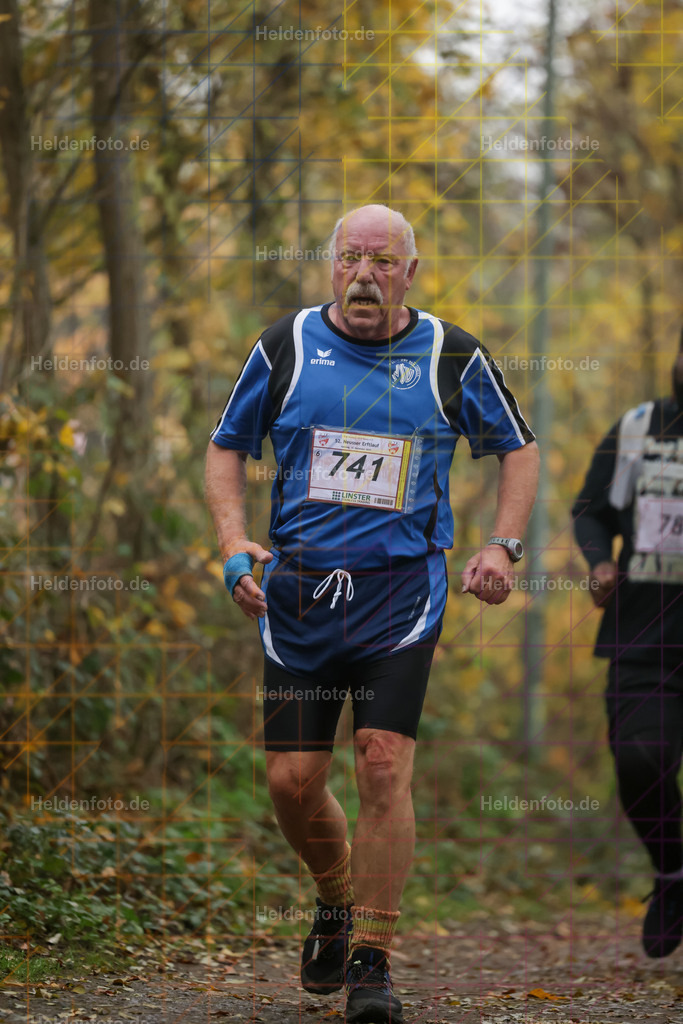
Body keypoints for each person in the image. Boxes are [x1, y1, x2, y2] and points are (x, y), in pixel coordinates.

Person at [206, 204, 539, 1023]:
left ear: (410, 273)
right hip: (299, 596)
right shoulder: (282, 346)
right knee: (292, 781)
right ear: (330, 266)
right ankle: (334, 892)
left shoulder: (450, 354)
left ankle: (373, 961)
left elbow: (518, 449)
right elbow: (226, 446)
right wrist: (234, 541)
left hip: (401, 595)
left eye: (383, 261)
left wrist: (501, 545)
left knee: (383, 762)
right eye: (351, 258)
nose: (365, 275)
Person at [573, 332, 683, 959]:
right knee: (641, 763)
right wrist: (599, 561)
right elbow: (589, 508)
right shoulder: (641, 428)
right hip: (646, 636)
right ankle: (672, 874)